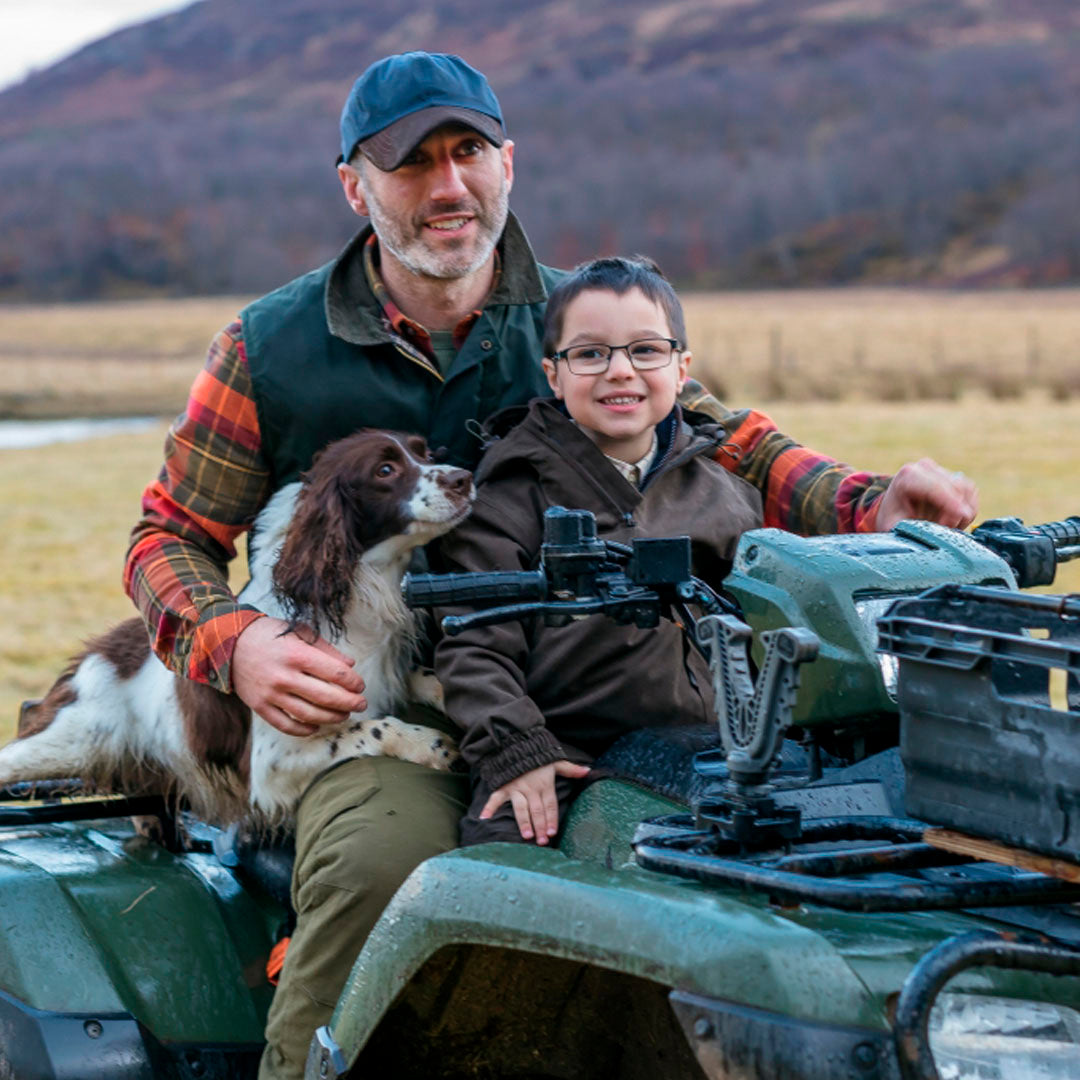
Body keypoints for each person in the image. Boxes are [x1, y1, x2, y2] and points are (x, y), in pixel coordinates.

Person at [121, 52, 978, 1079]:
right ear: (355, 185)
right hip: (386, 711)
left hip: (589, 685)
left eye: (469, 153)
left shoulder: (581, 319)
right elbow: (165, 539)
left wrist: (865, 505)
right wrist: (240, 644)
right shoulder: (269, 347)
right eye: (411, 164)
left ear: (508, 162)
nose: (448, 187)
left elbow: (723, 441)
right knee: (378, 867)